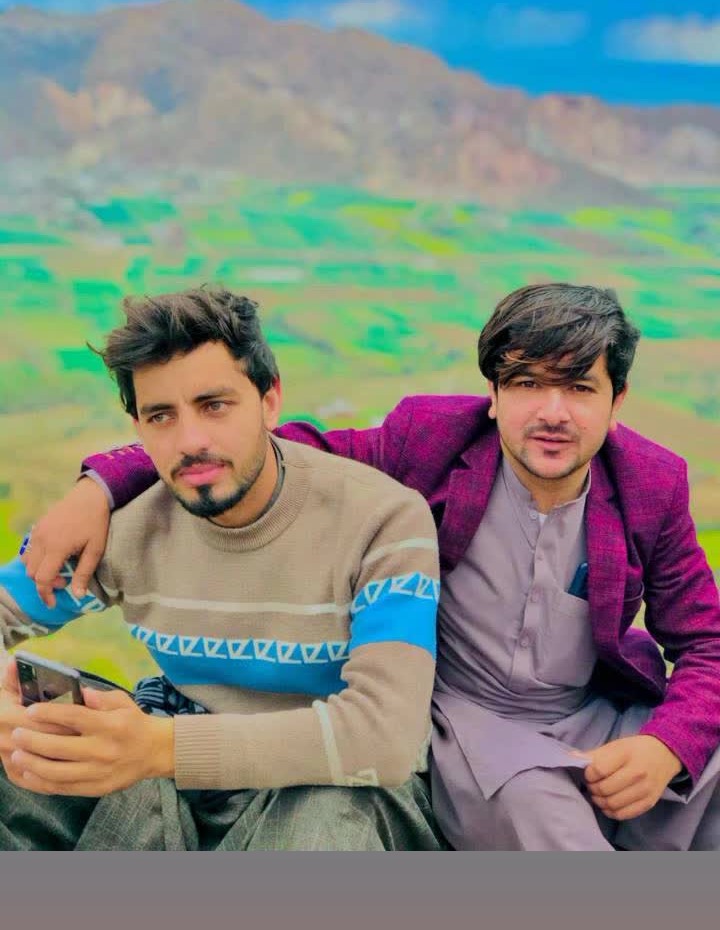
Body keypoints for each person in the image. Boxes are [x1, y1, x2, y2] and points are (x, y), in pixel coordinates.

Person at [15, 283, 720, 849]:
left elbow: (707, 642)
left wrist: (668, 745)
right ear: (494, 394)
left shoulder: (649, 486)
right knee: (546, 825)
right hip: (469, 724)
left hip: (590, 712)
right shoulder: (433, 443)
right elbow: (257, 449)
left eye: (581, 389)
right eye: (528, 384)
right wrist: (102, 483)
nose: (553, 412)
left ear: (617, 402)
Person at [0, 287, 444, 851]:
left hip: (337, 786)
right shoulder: (126, 524)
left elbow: (386, 739)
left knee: (321, 828)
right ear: (138, 428)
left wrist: (159, 748)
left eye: (214, 405)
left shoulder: (381, 519)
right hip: (171, 767)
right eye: (161, 416)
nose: (191, 441)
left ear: (270, 401)